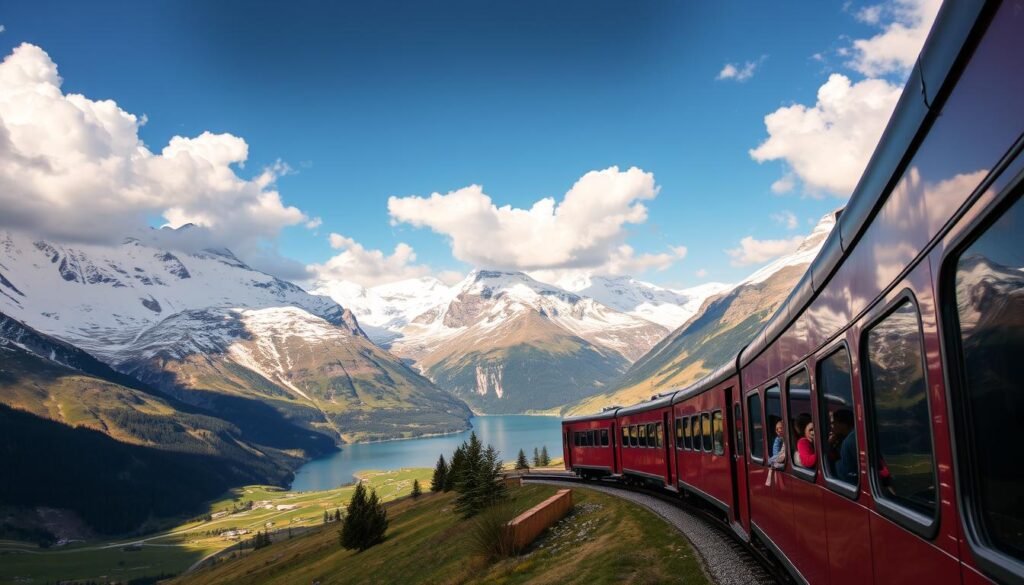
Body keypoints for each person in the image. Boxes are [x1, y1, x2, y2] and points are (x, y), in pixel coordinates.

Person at [829, 409, 858, 483]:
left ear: (843, 424)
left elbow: (848, 474)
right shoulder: (853, 436)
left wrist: (837, 464)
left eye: (834, 423)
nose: (832, 427)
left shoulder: (849, 442)